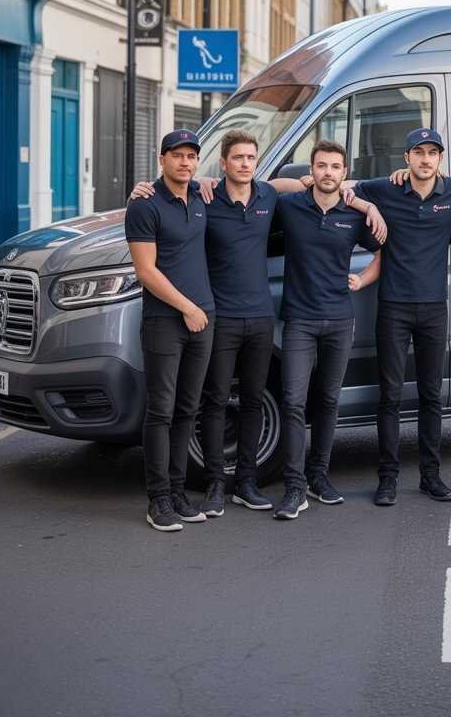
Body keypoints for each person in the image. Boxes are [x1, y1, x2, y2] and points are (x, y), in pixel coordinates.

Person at [129, 133, 385, 520]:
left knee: (253, 401)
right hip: (219, 316)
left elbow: (297, 186)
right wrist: (143, 187)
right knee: (213, 402)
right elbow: (174, 193)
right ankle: (216, 485)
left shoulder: (267, 198)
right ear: (223, 163)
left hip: (262, 317)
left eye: (251, 158)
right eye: (237, 158)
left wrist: (360, 200)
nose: (245, 164)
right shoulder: (205, 198)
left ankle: (246, 483)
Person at [349, 129, 451, 507]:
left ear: (440, 159)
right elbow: (338, 185)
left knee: (431, 396)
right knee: (389, 396)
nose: (425, 159)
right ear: (406, 158)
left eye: (432, 153)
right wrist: (369, 207)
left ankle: (430, 476)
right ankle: (387, 478)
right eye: (418, 152)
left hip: (434, 308)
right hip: (393, 307)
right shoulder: (386, 189)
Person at [272, 140, 383, 520]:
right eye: (321, 166)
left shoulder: (353, 216)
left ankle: (319, 478)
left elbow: (387, 248)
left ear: (344, 173)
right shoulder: (292, 207)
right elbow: (268, 186)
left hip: (340, 320)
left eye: (336, 167)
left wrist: (363, 279)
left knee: (329, 401)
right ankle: (294, 487)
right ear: (314, 170)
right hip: (299, 321)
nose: (328, 172)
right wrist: (299, 181)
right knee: (292, 401)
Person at [125, 130, 217, 532]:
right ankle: (158, 499)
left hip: (203, 319)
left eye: (190, 156)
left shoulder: (200, 196)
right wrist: (187, 308)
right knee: (161, 411)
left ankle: (178, 492)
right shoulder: (145, 204)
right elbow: (146, 271)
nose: (184, 162)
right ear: (161, 159)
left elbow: (266, 186)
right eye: (176, 155)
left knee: (188, 409)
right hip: (166, 320)